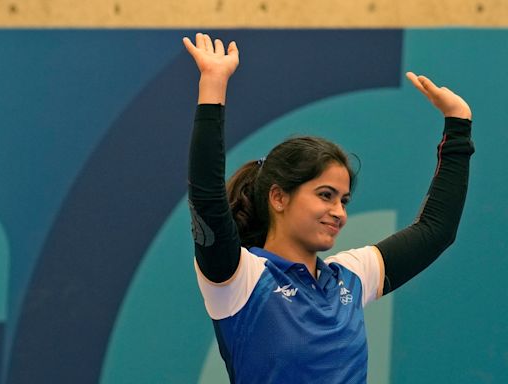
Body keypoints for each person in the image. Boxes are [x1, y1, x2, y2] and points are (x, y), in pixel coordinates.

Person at [183, 33, 474, 384]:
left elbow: (435, 230)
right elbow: (206, 197)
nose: (339, 211)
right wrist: (213, 85)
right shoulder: (239, 279)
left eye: (343, 200)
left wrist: (458, 124)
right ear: (278, 197)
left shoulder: (349, 278)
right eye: (325, 195)